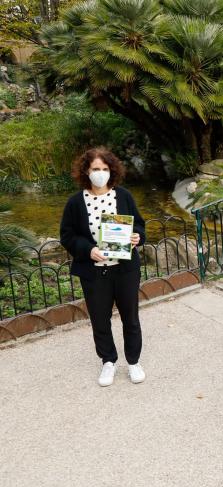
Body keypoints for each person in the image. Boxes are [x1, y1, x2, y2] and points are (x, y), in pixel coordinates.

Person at [60, 147, 146, 387]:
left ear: (112, 171)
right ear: (86, 171)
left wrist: (137, 237)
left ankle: (133, 362)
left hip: (125, 269)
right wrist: (88, 250)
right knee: (100, 319)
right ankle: (108, 361)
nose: (100, 173)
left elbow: (139, 226)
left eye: (105, 169)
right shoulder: (75, 202)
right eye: (95, 169)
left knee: (131, 318)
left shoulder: (124, 196)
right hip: (94, 272)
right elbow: (67, 236)